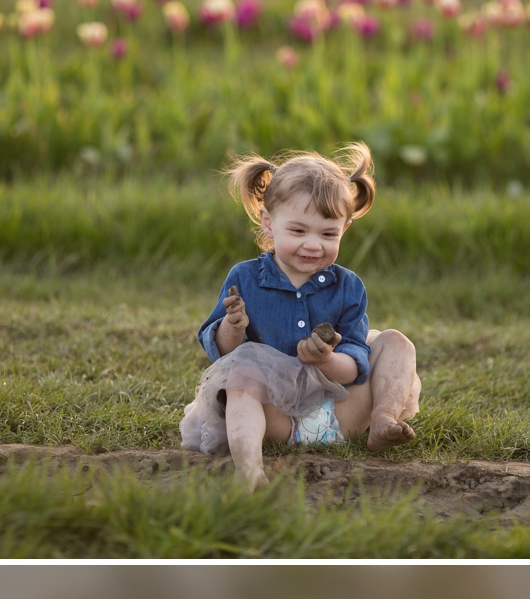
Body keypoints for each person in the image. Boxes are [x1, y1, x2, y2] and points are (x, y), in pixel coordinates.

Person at [179, 142, 421, 490]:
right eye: (298, 231)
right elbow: (222, 355)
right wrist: (233, 328)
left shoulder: (348, 286)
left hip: (342, 415)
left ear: (345, 229)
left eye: (327, 234)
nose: (313, 244)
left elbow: (357, 360)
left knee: (395, 342)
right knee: (242, 377)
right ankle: (249, 473)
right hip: (276, 418)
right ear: (267, 222)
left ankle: (382, 423)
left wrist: (327, 360)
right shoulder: (245, 279)